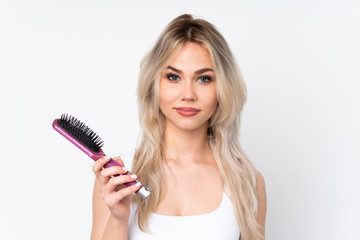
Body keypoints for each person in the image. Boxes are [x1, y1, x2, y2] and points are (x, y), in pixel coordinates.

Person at [91, 14, 266, 240]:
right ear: (155, 84)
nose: (188, 95)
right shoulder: (118, 178)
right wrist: (118, 218)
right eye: (173, 77)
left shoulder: (246, 182)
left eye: (204, 79)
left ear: (223, 87)